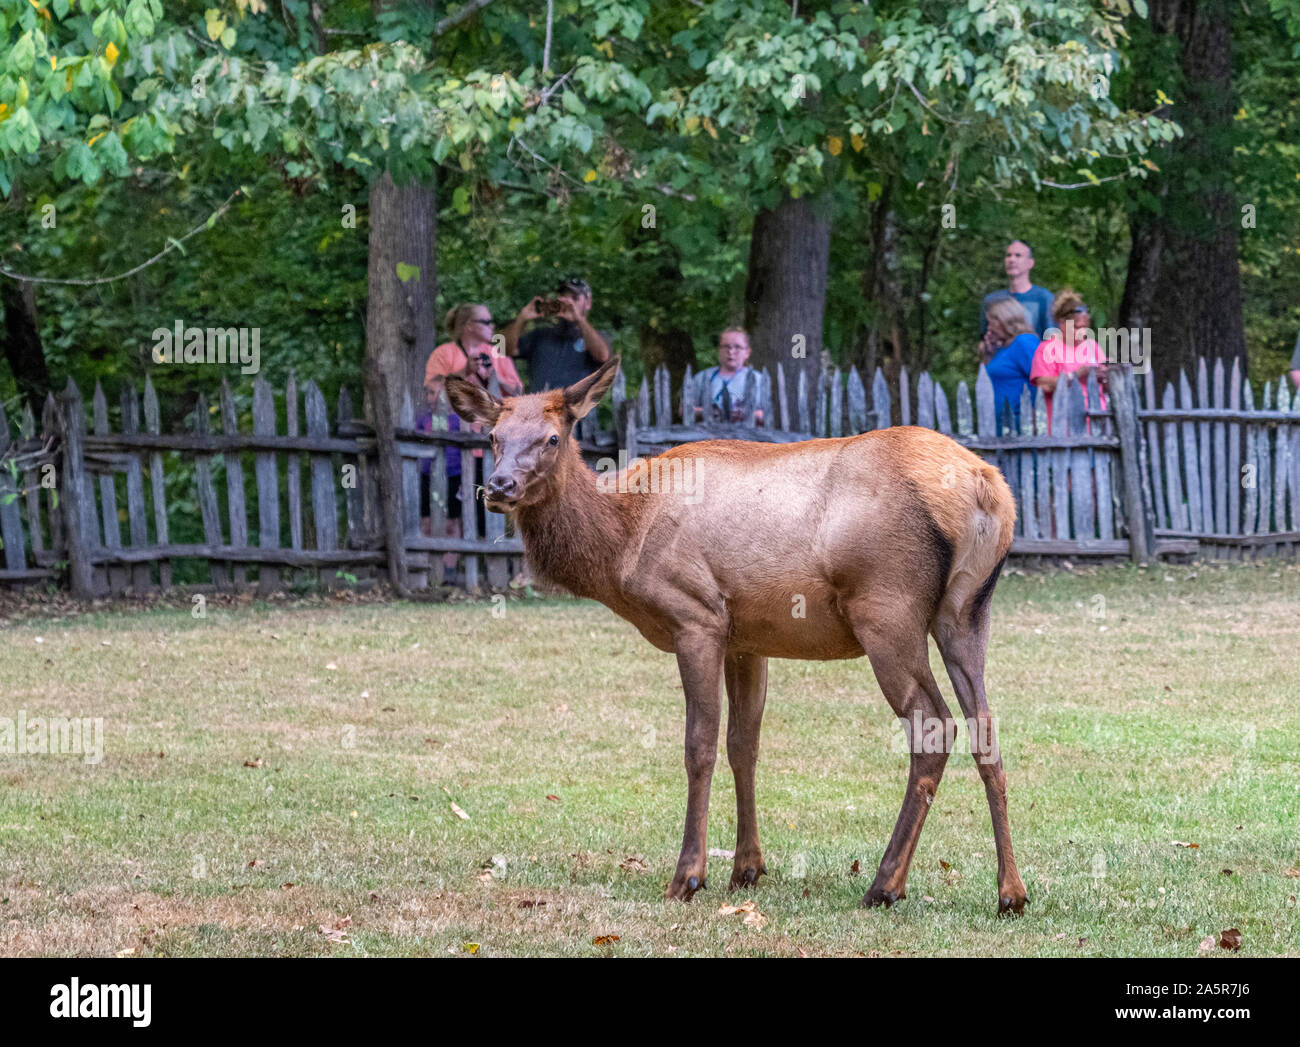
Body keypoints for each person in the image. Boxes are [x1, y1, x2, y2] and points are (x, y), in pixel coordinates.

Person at [419, 349, 497, 584]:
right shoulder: (422, 420)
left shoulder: (459, 421)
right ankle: (427, 569)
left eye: (434, 393)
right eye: (428, 393)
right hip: (427, 476)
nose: (430, 398)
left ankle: (449, 572)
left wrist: (465, 479)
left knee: (454, 522)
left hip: (454, 474)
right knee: (427, 521)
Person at [503, 276, 611, 392]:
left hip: (576, 409)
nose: (569, 303)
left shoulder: (597, 338)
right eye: (563, 296)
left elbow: (602, 356)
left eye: (575, 298)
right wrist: (521, 318)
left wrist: (580, 319)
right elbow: (502, 350)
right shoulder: (541, 335)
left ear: (588, 303)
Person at [1030, 288, 1108, 430]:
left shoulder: (1092, 346)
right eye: (1077, 328)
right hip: (1063, 427)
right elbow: (1043, 385)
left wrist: (1106, 375)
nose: (1083, 332)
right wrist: (1077, 374)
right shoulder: (1047, 348)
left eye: (1085, 327)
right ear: (1062, 323)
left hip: (1096, 424)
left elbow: (1106, 387)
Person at [424, 303, 523, 408]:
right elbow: (430, 396)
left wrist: (496, 379)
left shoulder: (498, 354)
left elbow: (519, 392)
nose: (492, 326)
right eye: (486, 322)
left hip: (494, 421)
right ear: (469, 326)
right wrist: (464, 372)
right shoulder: (443, 354)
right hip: (455, 422)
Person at [979, 240, 1055, 356]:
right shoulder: (992, 300)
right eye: (1008, 255)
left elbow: (1051, 341)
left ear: (1030, 263)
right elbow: (983, 342)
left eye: (1018, 255)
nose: (1012, 259)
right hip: (1000, 366)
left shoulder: (1044, 298)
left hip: (1032, 366)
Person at [981, 298, 1039, 434]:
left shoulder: (1024, 342)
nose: (989, 328)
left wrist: (1036, 418)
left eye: (991, 323)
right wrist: (989, 354)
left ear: (1004, 321)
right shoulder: (1003, 348)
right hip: (1002, 426)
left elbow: (1040, 381)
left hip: (1021, 425)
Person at [693, 327, 764, 424]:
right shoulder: (702, 377)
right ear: (719, 349)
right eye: (726, 346)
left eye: (737, 347)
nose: (731, 352)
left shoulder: (758, 379)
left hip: (746, 437)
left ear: (747, 352)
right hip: (709, 436)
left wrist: (743, 414)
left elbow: (767, 415)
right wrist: (710, 412)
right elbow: (684, 410)